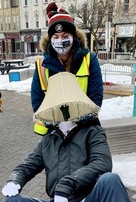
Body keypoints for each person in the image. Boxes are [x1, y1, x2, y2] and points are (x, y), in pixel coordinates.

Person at [0, 73, 135, 202]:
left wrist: (67, 184)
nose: (63, 109)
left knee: (110, 180)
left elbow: (102, 163)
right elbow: (26, 166)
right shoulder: (47, 142)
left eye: (66, 105)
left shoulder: (92, 133)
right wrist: (15, 180)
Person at [31, 2, 103, 136]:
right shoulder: (42, 65)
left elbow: (95, 98)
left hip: (84, 130)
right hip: (53, 132)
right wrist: (55, 124)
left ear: (73, 37)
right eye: (56, 37)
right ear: (50, 39)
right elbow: (38, 102)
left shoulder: (89, 60)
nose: (60, 40)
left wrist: (77, 123)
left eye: (65, 36)